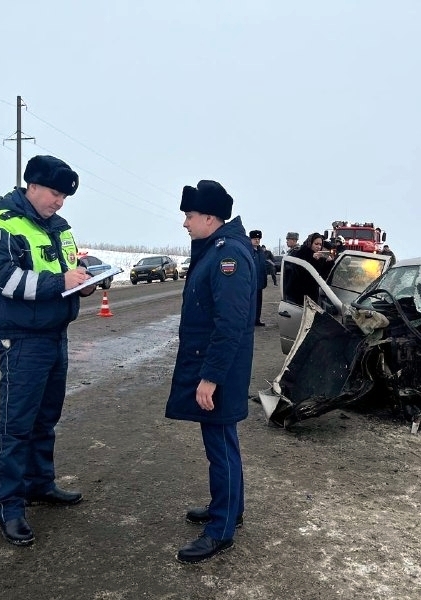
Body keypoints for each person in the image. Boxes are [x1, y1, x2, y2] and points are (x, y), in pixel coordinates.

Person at [0, 155, 98, 547]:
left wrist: (84, 283)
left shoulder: (60, 228)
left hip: (55, 335)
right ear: (30, 185)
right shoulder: (1, 227)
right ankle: (9, 507)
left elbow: (67, 272)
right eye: (54, 193)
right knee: (15, 426)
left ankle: (39, 484)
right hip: (21, 340)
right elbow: (6, 281)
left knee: (45, 419)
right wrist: (60, 280)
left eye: (64, 196)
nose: (60, 201)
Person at [166, 179, 255, 564]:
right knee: (222, 443)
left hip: (221, 370)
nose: (185, 223)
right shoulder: (216, 249)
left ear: (209, 217)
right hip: (218, 366)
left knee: (220, 447)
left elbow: (231, 322)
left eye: (188, 216)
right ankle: (229, 508)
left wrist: (211, 376)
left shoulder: (227, 255)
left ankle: (220, 529)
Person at [289, 232, 334, 304]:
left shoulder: (321, 258)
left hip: (313, 295)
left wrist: (329, 263)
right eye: (316, 244)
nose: (319, 247)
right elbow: (299, 273)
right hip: (299, 295)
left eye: (320, 244)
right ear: (310, 243)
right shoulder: (301, 253)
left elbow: (323, 277)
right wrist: (311, 259)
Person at [249, 230, 268, 325]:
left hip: (260, 282)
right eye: (255, 239)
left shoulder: (261, 252)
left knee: (258, 303)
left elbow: (263, 267)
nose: (257, 241)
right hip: (251, 282)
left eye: (258, 239)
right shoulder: (248, 251)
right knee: (251, 303)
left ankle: (257, 319)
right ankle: (250, 320)